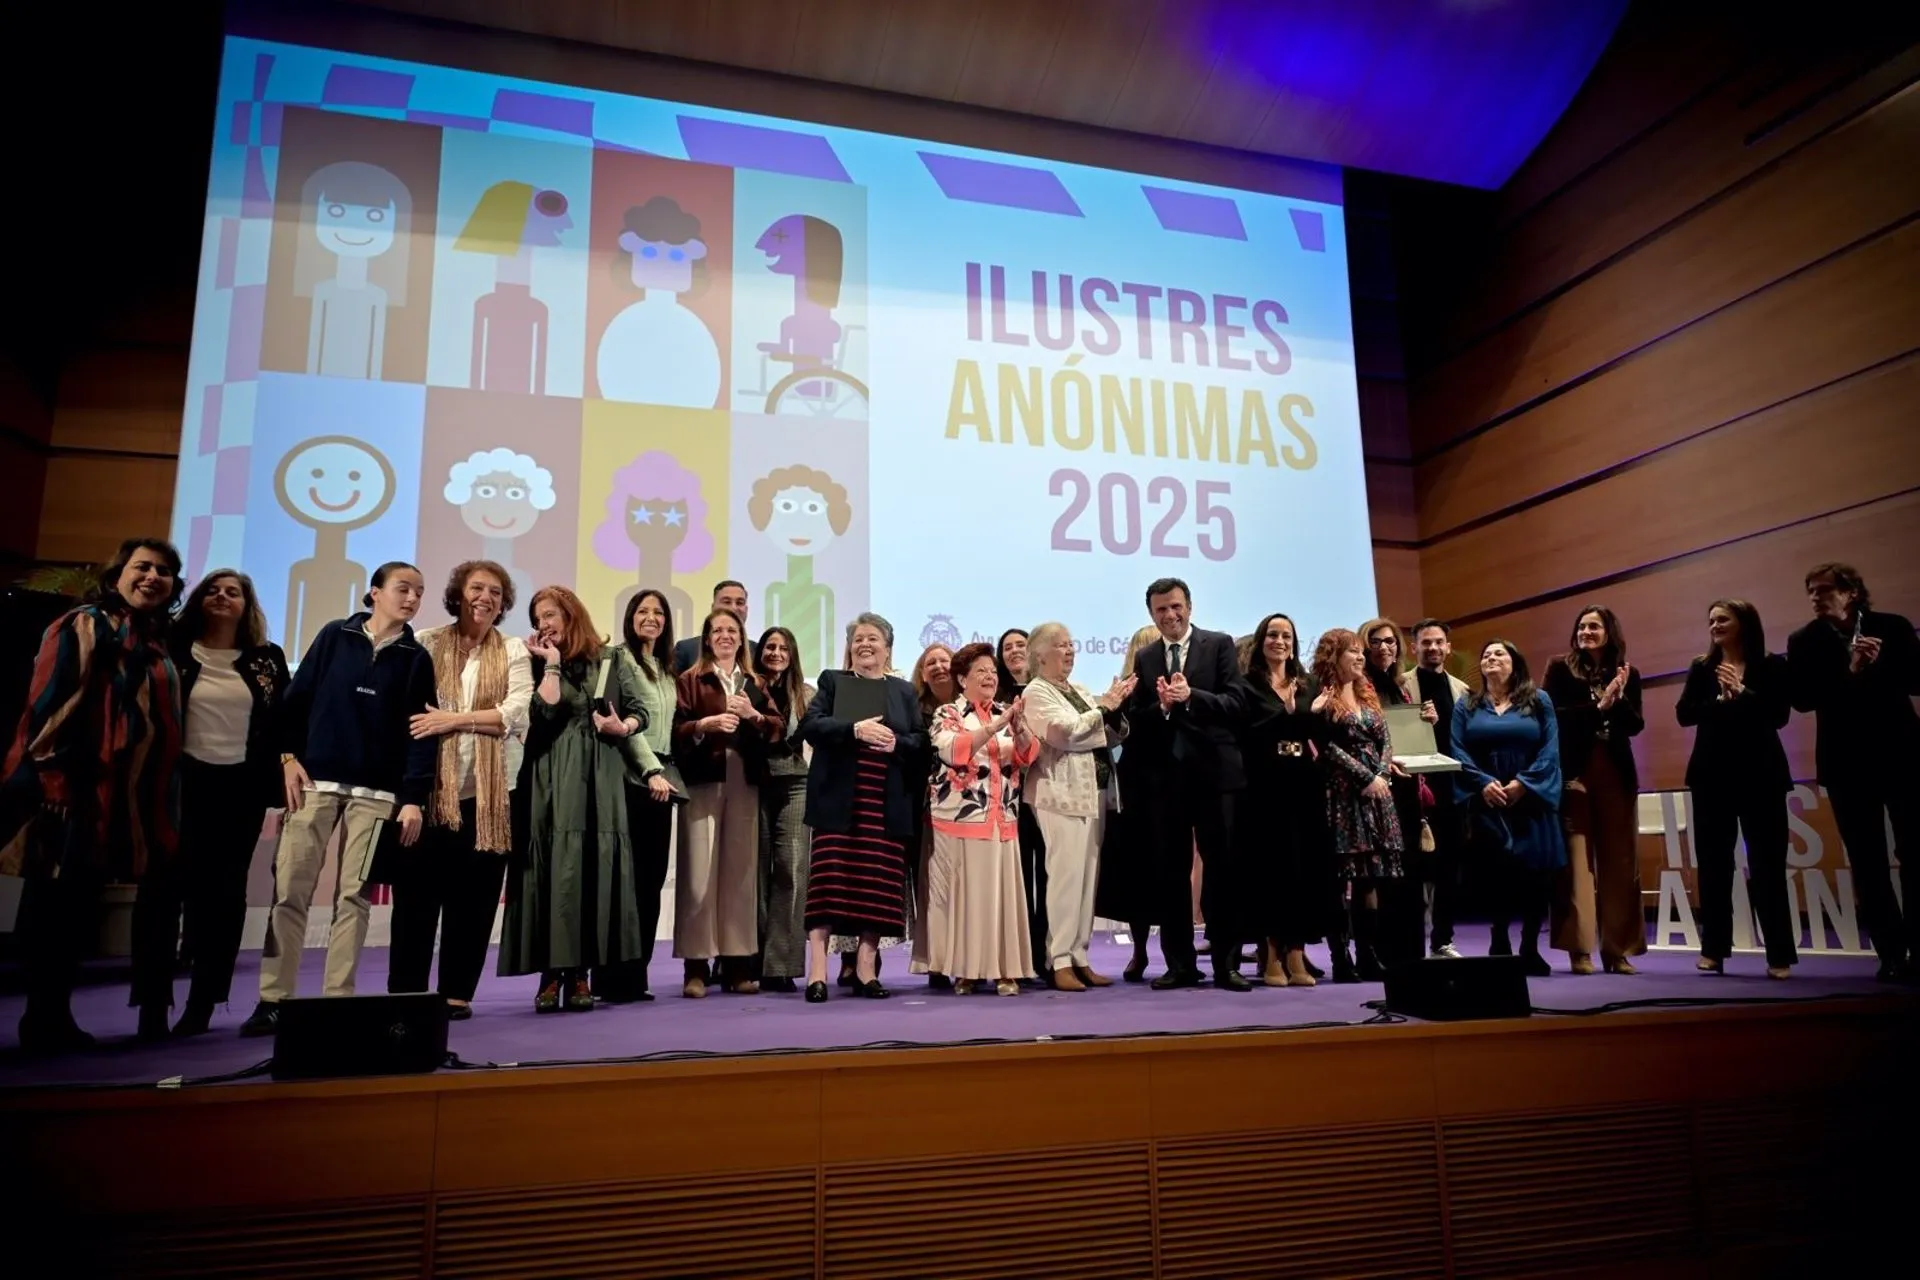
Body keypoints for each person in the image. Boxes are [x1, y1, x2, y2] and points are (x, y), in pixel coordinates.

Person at [241, 561, 437, 1037]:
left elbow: (421, 733)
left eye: (419, 592)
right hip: (314, 785)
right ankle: (273, 998)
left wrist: (412, 799)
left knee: (355, 897)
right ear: (374, 593)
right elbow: (294, 702)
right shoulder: (334, 636)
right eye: (402, 589)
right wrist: (288, 758)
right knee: (290, 892)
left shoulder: (416, 656)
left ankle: (338, 1001)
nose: (411, 598)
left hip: (378, 796)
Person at [3, 538, 184, 1051]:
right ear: (118, 574)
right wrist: (54, 779)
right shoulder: (87, 623)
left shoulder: (154, 637)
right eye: (142, 567)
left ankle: (52, 1018)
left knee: (75, 907)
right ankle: (41, 1020)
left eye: (164, 571)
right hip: (72, 792)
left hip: (117, 799)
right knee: (53, 909)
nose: (152, 577)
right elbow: (50, 700)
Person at [389, 561, 533, 1021]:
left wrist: (452, 719)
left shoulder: (512, 650)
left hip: (490, 798)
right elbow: (410, 710)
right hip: (429, 794)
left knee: (473, 902)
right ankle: (407, 992)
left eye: (495, 591)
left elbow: (515, 713)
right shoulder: (427, 643)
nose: (485, 597)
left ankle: (456, 992)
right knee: (416, 901)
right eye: (476, 588)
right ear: (458, 594)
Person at [155, 569, 289, 1038]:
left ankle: (202, 1003)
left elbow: (283, 722)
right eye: (213, 590)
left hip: (240, 789)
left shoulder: (267, 660)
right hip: (178, 785)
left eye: (234, 592)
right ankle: (152, 1004)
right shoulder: (171, 651)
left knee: (224, 897)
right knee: (164, 891)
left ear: (247, 605)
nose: (222, 597)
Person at [502, 586, 648, 1013]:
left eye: (551, 614)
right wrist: (550, 665)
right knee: (556, 872)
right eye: (538, 617)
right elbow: (544, 713)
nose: (544, 624)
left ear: (571, 615)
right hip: (551, 779)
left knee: (590, 872)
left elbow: (642, 710)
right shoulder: (532, 661)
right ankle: (550, 975)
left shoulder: (609, 660)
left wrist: (624, 726)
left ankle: (581, 974)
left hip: (600, 779)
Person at [1787, 562, 1919, 981]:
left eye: (1825, 589)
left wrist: (1881, 666)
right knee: (1867, 862)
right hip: (1846, 765)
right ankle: (1892, 953)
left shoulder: (1893, 627)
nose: (1815, 597)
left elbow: (1918, 680)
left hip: (1902, 758)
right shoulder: (1804, 641)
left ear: (1852, 593)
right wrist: (1850, 673)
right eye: (1811, 590)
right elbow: (1804, 700)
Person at [1125, 578, 1249, 990]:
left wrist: (1192, 695)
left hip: (1215, 775)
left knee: (1224, 869)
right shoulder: (1145, 657)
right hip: (1166, 781)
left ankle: (1226, 964)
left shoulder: (1219, 645)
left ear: (1190, 607)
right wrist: (1160, 706)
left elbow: (1236, 703)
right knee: (1170, 873)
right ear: (1151, 615)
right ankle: (1180, 965)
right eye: (1161, 610)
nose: (1170, 616)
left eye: (1176, 607)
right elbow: (1137, 720)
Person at [797, 614, 926, 1002]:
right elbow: (811, 725)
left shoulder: (903, 691)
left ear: (888, 649)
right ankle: (817, 971)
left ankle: (867, 968)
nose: (864, 644)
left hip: (885, 805)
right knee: (827, 887)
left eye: (873, 639)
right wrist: (854, 730)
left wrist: (895, 745)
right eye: (858, 639)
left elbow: (920, 743)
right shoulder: (833, 682)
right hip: (839, 801)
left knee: (877, 888)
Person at [1676, 600, 1795, 979]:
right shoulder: (1702, 667)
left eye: (1722, 619)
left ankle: (1778, 954)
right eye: (1710, 619)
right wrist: (1718, 700)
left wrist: (1743, 694)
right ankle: (1713, 950)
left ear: (1744, 623)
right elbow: (1684, 714)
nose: (1714, 625)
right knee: (1713, 866)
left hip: (1762, 776)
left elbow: (1779, 716)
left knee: (1767, 866)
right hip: (1712, 777)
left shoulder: (1772, 665)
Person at [673, 608, 782, 997]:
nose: (724, 636)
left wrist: (752, 714)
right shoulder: (690, 679)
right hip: (704, 778)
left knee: (740, 873)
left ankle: (737, 965)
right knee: (699, 875)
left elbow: (776, 728)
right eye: (717, 630)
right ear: (706, 638)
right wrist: (705, 726)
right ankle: (697, 967)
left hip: (745, 780)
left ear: (741, 638)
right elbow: (675, 730)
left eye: (731, 630)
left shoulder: (753, 681)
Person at [926, 644, 1041, 994]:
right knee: (968, 899)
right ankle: (967, 970)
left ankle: (1006, 969)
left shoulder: (1007, 711)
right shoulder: (948, 712)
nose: (990, 676)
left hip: (1002, 817)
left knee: (1000, 896)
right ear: (962, 679)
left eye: (992, 671)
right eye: (981, 671)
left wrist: (1018, 728)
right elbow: (953, 750)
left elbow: (1028, 754)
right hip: (959, 818)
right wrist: (994, 728)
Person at [1023, 622, 1131, 991]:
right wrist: (1103, 709)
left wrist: (1114, 710)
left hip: (1094, 791)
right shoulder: (1036, 692)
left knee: (1088, 876)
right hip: (1059, 794)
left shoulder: (1080, 690)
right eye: (1060, 645)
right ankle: (1060, 959)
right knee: (1066, 877)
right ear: (1040, 655)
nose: (1069, 651)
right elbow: (1064, 733)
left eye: (1071, 644)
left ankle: (1081, 954)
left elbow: (1108, 734)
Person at [1543, 606, 1646, 975]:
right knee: (1577, 864)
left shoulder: (1626, 672)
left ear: (1609, 632)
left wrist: (1618, 702)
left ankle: (1618, 950)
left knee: (1621, 863)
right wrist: (1597, 706)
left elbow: (1636, 725)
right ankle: (1579, 948)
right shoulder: (1560, 668)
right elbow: (1551, 715)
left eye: (1594, 626)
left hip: (1616, 773)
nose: (1586, 631)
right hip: (1575, 772)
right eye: (1581, 625)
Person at [1452, 639, 1565, 977]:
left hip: (1530, 798)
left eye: (1499, 653)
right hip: (1487, 799)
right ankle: (1498, 941)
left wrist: (1524, 784)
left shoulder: (1538, 700)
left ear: (1515, 662)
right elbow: (1456, 749)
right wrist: (1483, 782)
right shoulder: (1467, 704)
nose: (1491, 658)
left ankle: (1530, 947)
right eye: (1486, 654)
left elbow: (1550, 748)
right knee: (1495, 875)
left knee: (1535, 877)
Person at [1238, 613, 1336, 987]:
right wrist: (1290, 715)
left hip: (1303, 782)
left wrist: (1309, 715)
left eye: (1287, 636)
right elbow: (1246, 732)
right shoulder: (1247, 685)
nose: (1280, 641)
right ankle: (1271, 954)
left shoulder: (1307, 683)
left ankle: (1296, 952)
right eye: (1273, 635)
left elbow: (1319, 732)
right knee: (1270, 869)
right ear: (1261, 640)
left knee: (1302, 868)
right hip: (1263, 784)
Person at [593, 589, 680, 1003]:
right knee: (623, 884)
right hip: (631, 778)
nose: (651, 618)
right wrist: (651, 770)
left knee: (651, 880)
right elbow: (616, 719)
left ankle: (636, 976)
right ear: (630, 617)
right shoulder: (617, 658)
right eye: (643, 611)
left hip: (663, 781)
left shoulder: (666, 667)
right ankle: (610, 978)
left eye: (658, 612)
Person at [1311, 628, 1404, 983]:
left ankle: (1368, 954)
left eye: (1360, 652)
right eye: (1352, 652)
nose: (1361, 657)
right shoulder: (1322, 697)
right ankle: (1340, 957)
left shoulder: (1367, 694)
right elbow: (1327, 747)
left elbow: (1386, 740)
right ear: (1334, 657)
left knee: (1370, 880)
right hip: (1343, 795)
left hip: (1376, 796)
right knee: (1341, 881)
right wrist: (1365, 777)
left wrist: (1380, 774)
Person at [1095, 625, 1164, 982]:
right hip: (1133, 790)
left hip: (1172, 785)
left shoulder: (1180, 687)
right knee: (1138, 873)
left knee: (1170, 873)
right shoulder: (1121, 693)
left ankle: (1175, 952)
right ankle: (1139, 951)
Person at [1360, 616, 1427, 970]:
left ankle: (1411, 950)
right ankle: (1380, 952)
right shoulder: (1358, 685)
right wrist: (1383, 766)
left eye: (1390, 641)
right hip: (1374, 787)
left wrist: (1425, 720)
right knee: (1378, 874)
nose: (1384, 647)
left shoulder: (1401, 688)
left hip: (1404, 787)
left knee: (1408, 870)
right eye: (1376, 642)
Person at [1402, 619, 1470, 958]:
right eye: (1425, 642)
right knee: (1414, 869)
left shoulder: (1462, 690)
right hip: (1412, 789)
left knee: (1448, 869)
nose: (1432, 648)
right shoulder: (1401, 685)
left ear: (1448, 647)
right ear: (1414, 647)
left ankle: (1443, 939)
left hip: (1452, 790)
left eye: (1438, 642)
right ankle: (1411, 942)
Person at [755, 625, 813, 993]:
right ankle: (746, 960)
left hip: (795, 781)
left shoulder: (806, 694)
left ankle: (781, 965)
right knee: (754, 874)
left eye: (783, 648)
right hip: (754, 781)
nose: (776, 653)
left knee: (792, 870)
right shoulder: (747, 687)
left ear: (792, 655)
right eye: (770, 647)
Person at [906, 642, 956, 988]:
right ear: (922, 674)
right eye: (930, 663)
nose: (938, 666)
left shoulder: (974, 708)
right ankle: (936, 961)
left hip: (971, 811)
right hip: (926, 810)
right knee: (931, 888)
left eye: (944, 660)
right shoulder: (913, 709)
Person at [673, 580, 747, 673]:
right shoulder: (686, 650)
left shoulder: (757, 651)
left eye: (740, 603)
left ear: (746, 609)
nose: (733, 608)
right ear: (713, 607)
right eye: (727, 602)